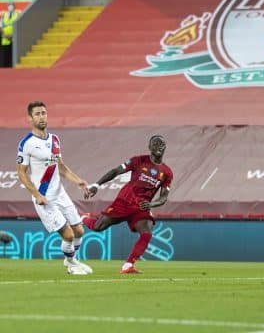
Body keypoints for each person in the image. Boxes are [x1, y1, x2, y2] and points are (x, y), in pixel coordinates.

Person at [16, 101, 93, 274]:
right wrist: (36, 194)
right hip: (44, 198)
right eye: (37, 114)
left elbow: (61, 166)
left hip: (60, 194)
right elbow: (21, 172)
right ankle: (72, 266)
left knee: (79, 230)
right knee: (68, 235)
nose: (42, 116)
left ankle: (71, 260)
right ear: (30, 118)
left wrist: (78, 180)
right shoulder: (26, 143)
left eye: (44, 113)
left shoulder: (55, 139)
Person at [83, 135, 173, 274]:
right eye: (155, 144)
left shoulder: (167, 173)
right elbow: (115, 171)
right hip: (124, 201)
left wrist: (152, 205)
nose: (158, 146)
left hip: (141, 207)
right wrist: (96, 185)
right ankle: (84, 218)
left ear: (165, 147)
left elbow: (163, 198)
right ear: (149, 147)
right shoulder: (138, 160)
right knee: (97, 227)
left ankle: (128, 265)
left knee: (146, 233)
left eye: (161, 144)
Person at [0, 1, 20, 67]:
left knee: (12, 57)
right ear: (7, 7)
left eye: (12, 5)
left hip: (14, 39)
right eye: (9, 5)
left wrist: (12, 36)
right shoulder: (3, 15)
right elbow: (1, 27)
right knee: (4, 57)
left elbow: (19, 27)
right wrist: (4, 35)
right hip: (5, 39)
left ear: (14, 6)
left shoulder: (18, 15)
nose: (10, 6)